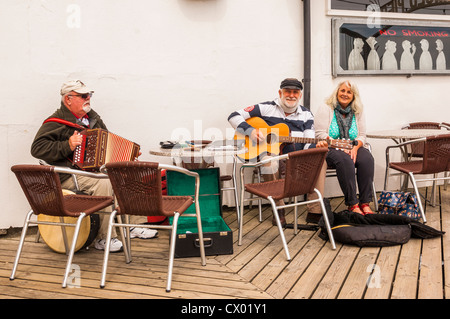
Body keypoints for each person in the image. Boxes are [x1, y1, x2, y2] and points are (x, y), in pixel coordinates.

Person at [31, 80, 157, 252]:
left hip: (91, 172)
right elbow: (37, 148)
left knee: (127, 173)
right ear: (68, 99)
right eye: (83, 96)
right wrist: (67, 145)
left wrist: (127, 154)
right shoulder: (56, 122)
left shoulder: (93, 119)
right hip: (69, 176)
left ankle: (131, 226)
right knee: (104, 183)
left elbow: (109, 141)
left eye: (89, 95)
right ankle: (104, 238)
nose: (88, 98)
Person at [228, 78, 328, 226]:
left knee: (320, 160)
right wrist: (250, 131)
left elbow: (308, 141)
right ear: (280, 93)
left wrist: (311, 152)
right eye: (288, 91)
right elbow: (233, 116)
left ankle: (315, 210)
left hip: (296, 157)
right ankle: (279, 207)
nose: (291, 95)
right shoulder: (266, 107)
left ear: (300, 95)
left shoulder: (306, 114)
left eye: (295, 92)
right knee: (270, 162)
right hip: (271, 155)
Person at [314, 80, 375, 215]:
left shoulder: (358, 111)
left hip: (352, 147)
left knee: (367, 159)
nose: (345, 94)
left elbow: (362, 136)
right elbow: (320, 134)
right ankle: (353, 204)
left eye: (349, 92)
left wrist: (354, 148)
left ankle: (365, 202)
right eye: (342, 90)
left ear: (354, 95)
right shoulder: (326, 108)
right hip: (331, 149)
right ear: (337, 92)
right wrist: (340, 146)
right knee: (345, 160)